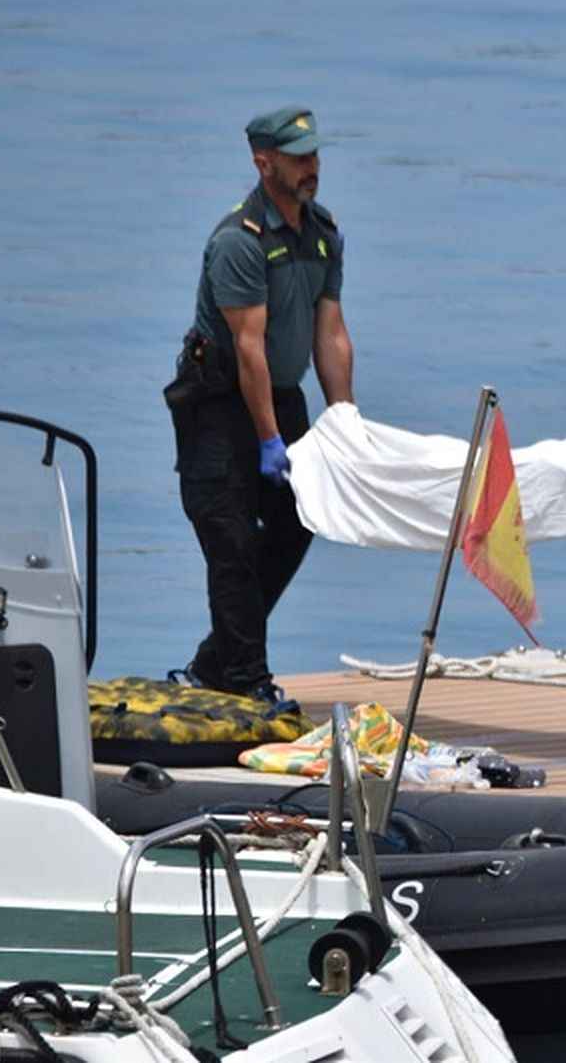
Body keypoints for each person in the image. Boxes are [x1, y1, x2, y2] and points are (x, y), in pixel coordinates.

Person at [164, 105, 354, 701]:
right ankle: (246, 682)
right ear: (263, 162)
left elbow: (331, 335)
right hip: (219, 406)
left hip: (283, 398)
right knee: (231, 543)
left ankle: (217, 661)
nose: (312, 168)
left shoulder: (322, 235)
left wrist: (345, 422)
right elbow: (248, 349)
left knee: (300, 522)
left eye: (316, 156)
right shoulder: (238, 242)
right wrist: (269, 440)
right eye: (299, 159)